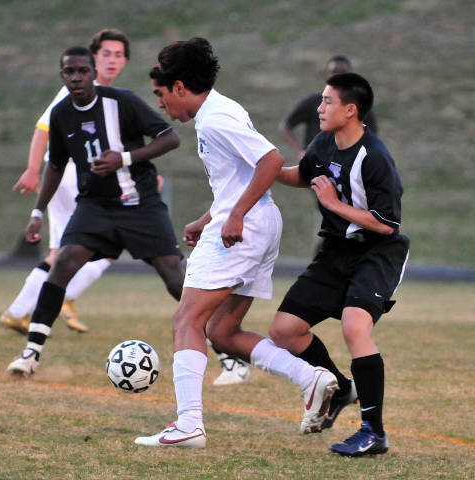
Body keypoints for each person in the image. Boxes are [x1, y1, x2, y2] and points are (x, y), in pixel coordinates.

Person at [134, 37, 339, 449]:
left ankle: (189, 424)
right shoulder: (219, 110)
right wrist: (210, 217)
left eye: (160, 94)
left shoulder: (215, 119)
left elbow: (271, 160)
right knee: (222, 331)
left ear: (179, 87)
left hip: (246, 227)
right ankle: (311, 377)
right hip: (256, 222)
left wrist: (236, 215)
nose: (160, 104)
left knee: (186, 320)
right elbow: (240, 178)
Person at [5, 45, 185, 376]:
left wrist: (125, 158)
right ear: (62, 75)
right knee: (63, 264)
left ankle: (223, 347)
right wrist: (37, 212)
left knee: (173, 275)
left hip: (140, 203)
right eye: (69, 72)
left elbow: (170, 137)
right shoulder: (61, 114)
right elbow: (55, 165)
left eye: (82, 71)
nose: (76, 77)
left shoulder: (122, 101)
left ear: (93, 73)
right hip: (95, 206)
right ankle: (30, 355)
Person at [269, 72, 409, 456]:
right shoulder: (323, 143)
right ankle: (341, 389)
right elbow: (303, 176)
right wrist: (266, 169)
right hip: (335, 251)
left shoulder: (375, 157)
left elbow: (386, 222)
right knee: (284, 330)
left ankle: (373, 432)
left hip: (377, 252)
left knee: (354, 326)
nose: (319, 108)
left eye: (327, 101)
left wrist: (333, 204)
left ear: (351, 110)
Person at [0, 29, 132, 335]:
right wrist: (32, 169)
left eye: (118, 55)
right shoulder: (79, 88)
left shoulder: (105, 95)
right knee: (111, 241)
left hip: (79, 178)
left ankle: (21, 311)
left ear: (125, 61)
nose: (111, 60)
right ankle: (61, 298)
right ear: (93, 57)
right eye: (105, 54)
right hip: (71, 177)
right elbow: (43, 128)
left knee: (64, 252)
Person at [279, 55, 378, 162]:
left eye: (343, 72)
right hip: (314, 164)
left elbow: (371, 136)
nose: (338, 76)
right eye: (333, 71)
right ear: (327, 75)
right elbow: (286, 125)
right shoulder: (313, 102)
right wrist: (299, 152)